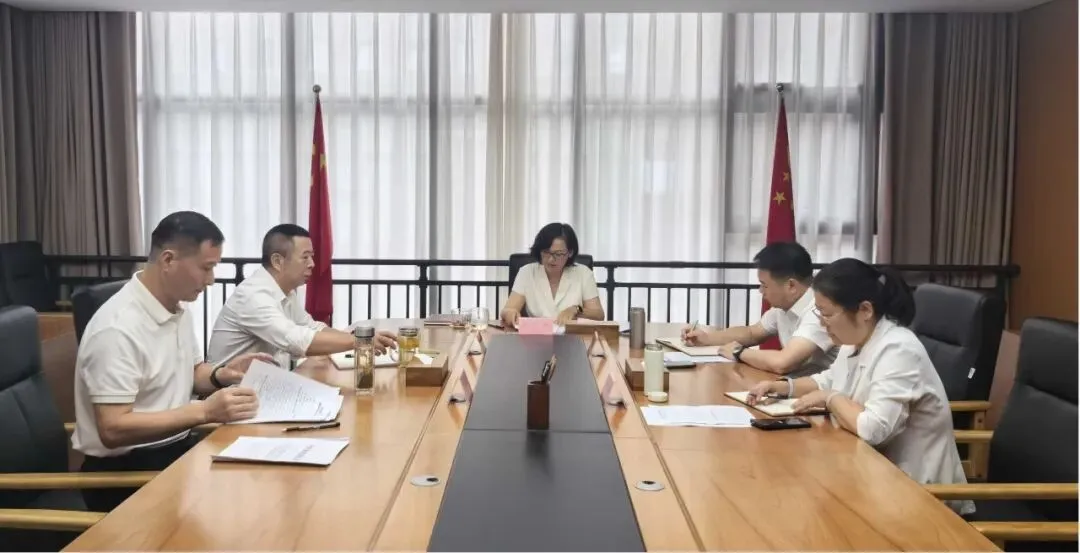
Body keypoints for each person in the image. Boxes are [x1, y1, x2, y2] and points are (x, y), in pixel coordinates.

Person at [73, 211, 269, 512]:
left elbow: (192, 372)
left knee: (258, 494)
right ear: (168, 260)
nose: (211, 280)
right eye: (206, 268)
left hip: (176, 453)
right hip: (126, 477)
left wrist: (221, 374)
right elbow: (113, 428)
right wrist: (205, 411)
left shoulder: (176, 308)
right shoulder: (117, 328)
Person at [745, 258, 973, 515]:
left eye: (827, 314)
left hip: (918, 496)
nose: (822, 323)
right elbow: (829, 379)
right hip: (870, 477)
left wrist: (831, 398)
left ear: (864, 310)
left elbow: (873, 429)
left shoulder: (899, 349)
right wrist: (783, 387)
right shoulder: (856, 338)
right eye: (819, 313)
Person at [207, 223, 397, 369]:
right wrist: (360, 342)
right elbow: (295, 340)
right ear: (277, 261)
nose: (312, 264)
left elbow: (311, 327)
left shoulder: (285, 291)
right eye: (305, 257)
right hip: (228, 396)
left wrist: (359, 337)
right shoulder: (253, 295)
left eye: (312, 256)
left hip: (261, 389)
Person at [682, 242, 836, 376]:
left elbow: (783, 363)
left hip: (824, 394)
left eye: (764, 285)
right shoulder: (784, 307)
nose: (761, 291)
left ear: (791, 286)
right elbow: (752, 333)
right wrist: (707, 338)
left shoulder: (819, 311)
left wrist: (738, 352)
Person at [500, 222, 605, 327]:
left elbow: (599, 314)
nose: (551, 259)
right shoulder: (527, 272)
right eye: (546, 252)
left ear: (570, 252)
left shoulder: (583, 273)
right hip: (536, 333)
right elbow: (508, 309)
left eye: (558, 254)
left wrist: (576, 310)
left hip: (572, 334)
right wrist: (510, 313)